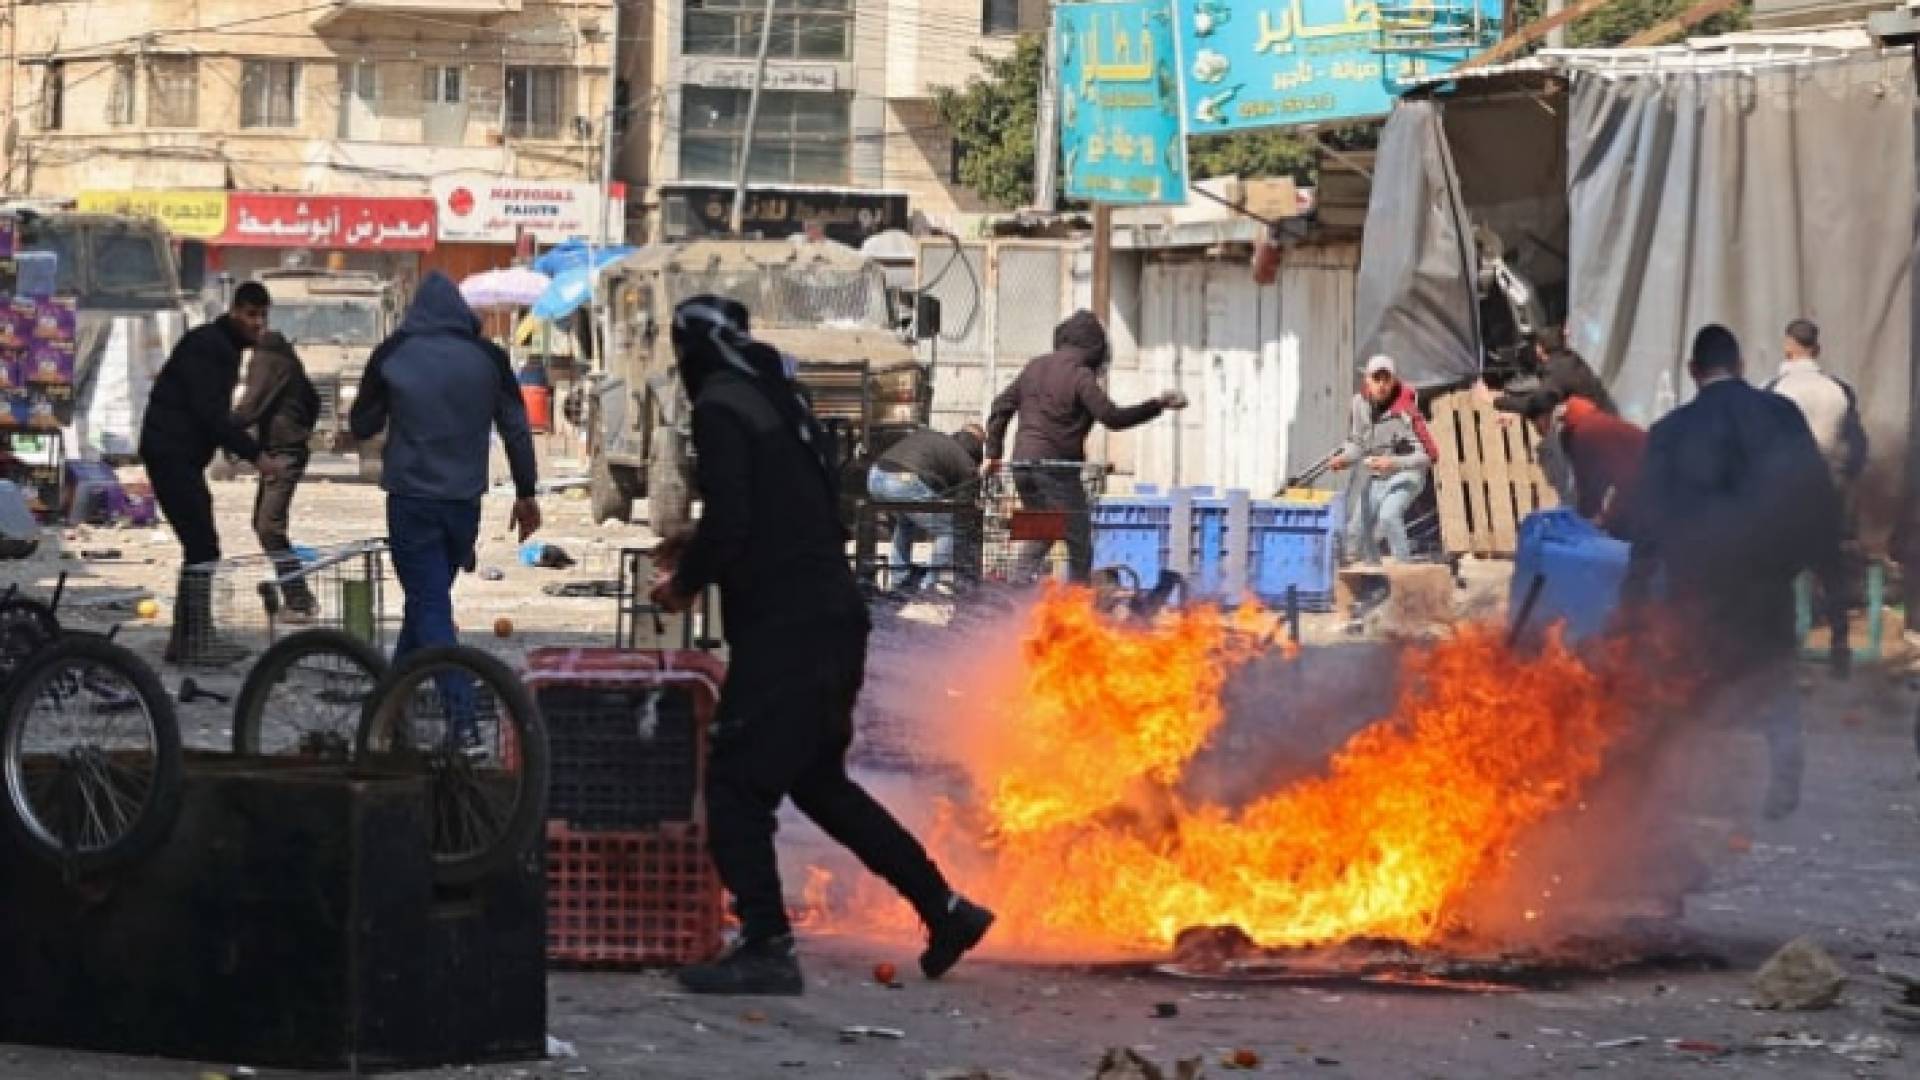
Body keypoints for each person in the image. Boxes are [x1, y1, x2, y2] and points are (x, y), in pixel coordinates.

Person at [650, 297, 993, 996]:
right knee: (821, 787)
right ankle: (946, 909)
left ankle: (768, 945)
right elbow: (788, 518)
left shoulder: (720, 404)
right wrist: (702, 549)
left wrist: (685, 580)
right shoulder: (779, 402)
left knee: (735, 784)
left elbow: (735, 519)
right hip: (834, 620)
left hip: (788, 632)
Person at [1622, 325, 1844, 820]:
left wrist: (1633, 597)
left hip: (1697, 584)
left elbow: (1649, 521)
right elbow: (1815, 495)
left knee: (1693, 680)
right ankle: (1784, 778)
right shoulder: (1780, 415)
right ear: (1741, 365)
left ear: (1693, 372)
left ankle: (1699, 787)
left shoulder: (1670, 431)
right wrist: (1831, 577)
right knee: (1773, 677)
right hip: (1767, 579)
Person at [349, 272, 541, 749]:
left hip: (412, 501)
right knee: (427, 602)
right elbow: (517, 428)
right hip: (463, 506)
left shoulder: (394, 352)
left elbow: (361, 421)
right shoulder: (489, 358)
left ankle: (463, 721)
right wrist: (526, 493)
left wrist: (393, 407)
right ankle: (385, 715)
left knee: (430, 604)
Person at [140, 281, 286, 664]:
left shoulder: (223, 347)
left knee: (200, 545)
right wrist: (256, 455)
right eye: (252, 315)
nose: (258, 324)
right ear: (235, 312)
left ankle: (188, 638)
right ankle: (194, 640)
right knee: (202, 544)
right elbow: (210, 414)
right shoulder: (213, 347)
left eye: (263, 316)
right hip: (170, 453)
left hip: (180, 456)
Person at [982, 310, 1186, 583]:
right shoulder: (1080, 377)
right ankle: (1077, 604)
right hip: (1056, 469)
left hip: (1021, 466)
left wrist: (993, 455)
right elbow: (1113, 418)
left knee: (1044, 529)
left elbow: (1000, 406)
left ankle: (1015, 593)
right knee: (1078, 542)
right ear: (1095, 348)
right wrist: (1158, 404)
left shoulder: (1034, 367)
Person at [231, 330, 321, 618]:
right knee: (263, 525)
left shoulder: (267, 360)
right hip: (281, 449)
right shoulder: (286, 359)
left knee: (269, 526)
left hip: (284, 452)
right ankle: (297, 597)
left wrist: (219, 429)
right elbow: (313, 400)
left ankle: (299, 600)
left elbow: (250, 406)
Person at [1332, 355, 1437, 564]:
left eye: (1386, 379)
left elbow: (1430, 455)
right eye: (1376, 378)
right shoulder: (1358, 404)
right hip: (1379, 473)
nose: (1381, 385)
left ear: (1393, 381)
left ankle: (1404, 572)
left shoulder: (1407, 410)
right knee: (1359, 525)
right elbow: (1357, 443)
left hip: (1408, 473)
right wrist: (1344, 458)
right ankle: (1373, 574)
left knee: (1388, 516)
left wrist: (1394, 462)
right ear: (1367, 381)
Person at [866, 423, 986, 591]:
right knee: (948, 529)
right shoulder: (965, 459)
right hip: (903, 481)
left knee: (906, 522)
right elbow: (965, 504)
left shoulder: (937, 439)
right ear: (978, 446)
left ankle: (899, 578)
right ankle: (927, 586)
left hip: (875, 476)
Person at [1517, 389, 1647, 537]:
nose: (1538, 431)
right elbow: (1592, 485)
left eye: (1536, 424)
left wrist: (1607, 518)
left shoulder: (1584, 433)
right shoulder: (1585, 425)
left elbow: (1627, 480)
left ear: (1544, 418)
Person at [1491, 325, 1617, 416]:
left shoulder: (1559, 371)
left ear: (1539, 349)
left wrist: (1497, 401)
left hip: (1599, 430)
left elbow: (1536, 403)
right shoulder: (1570, 360)